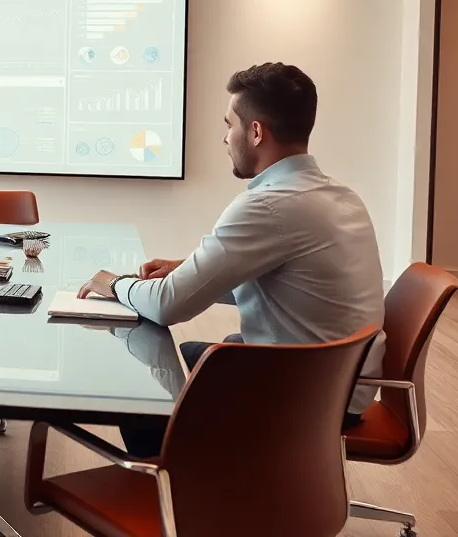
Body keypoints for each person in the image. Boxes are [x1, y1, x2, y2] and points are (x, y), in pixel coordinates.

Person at [78, 62, 386, 458]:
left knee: (141, 374)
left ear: (255, 132)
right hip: (346, 383)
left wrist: (115, 284)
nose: (225, 138)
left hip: (306, 396)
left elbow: (168, 305)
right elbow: (292, 283)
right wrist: (188, 270)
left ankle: (172, 486)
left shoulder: (268, 207)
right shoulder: (340, 196)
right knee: (191, 356)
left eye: (229, 124)